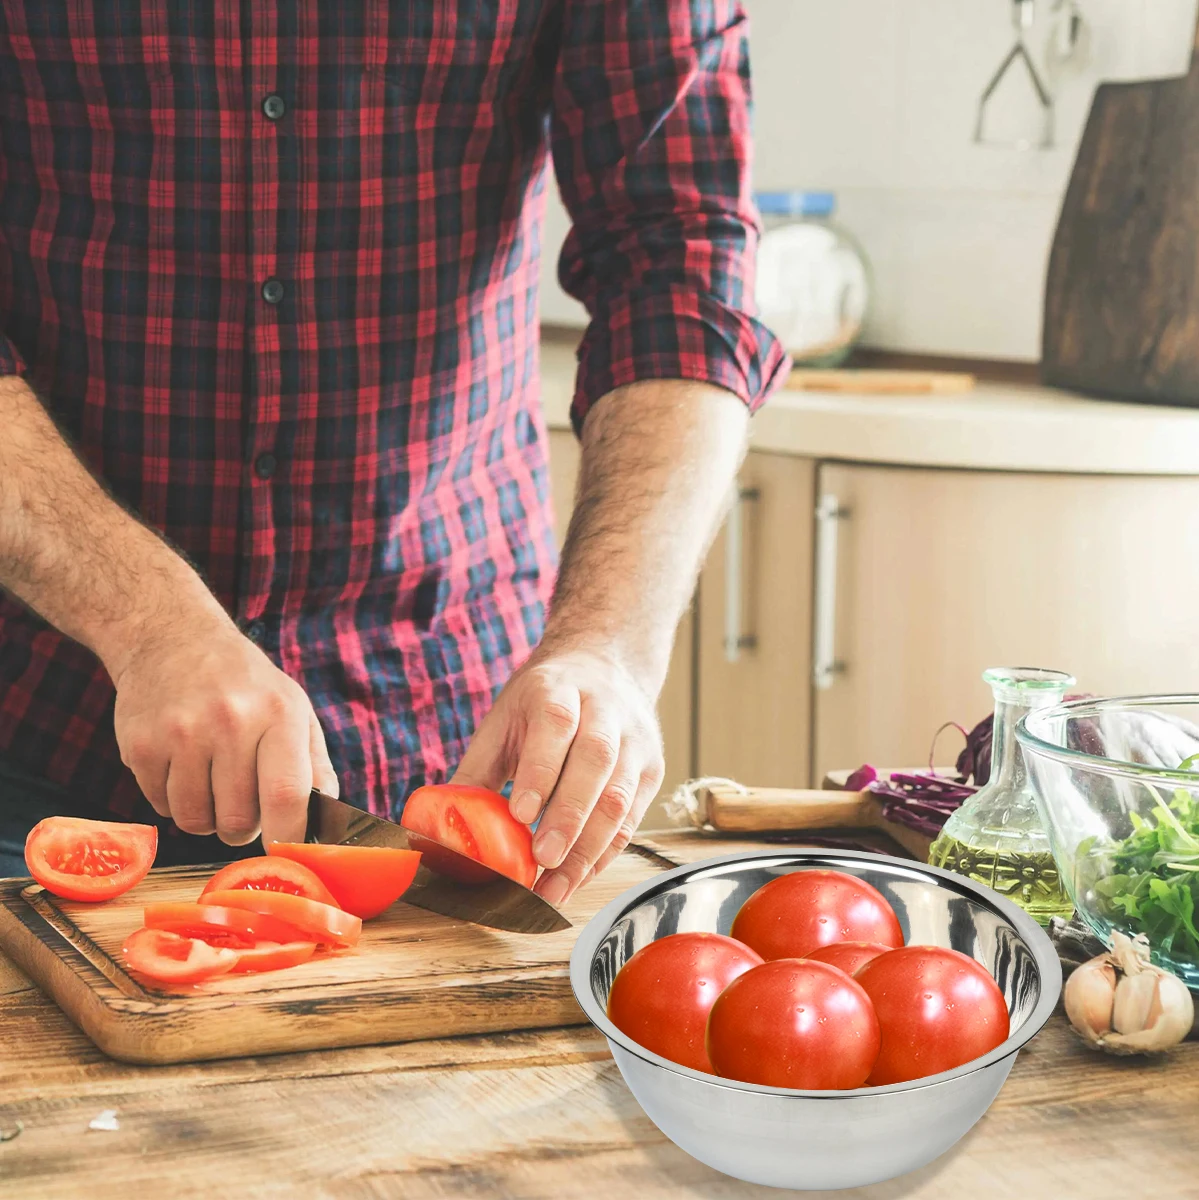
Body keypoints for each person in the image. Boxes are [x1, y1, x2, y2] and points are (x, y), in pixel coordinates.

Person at [0, 3, 786, 900]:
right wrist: (142, 620)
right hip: (40, 698)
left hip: (450, 729)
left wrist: (609, 648)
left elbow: (679, 269)